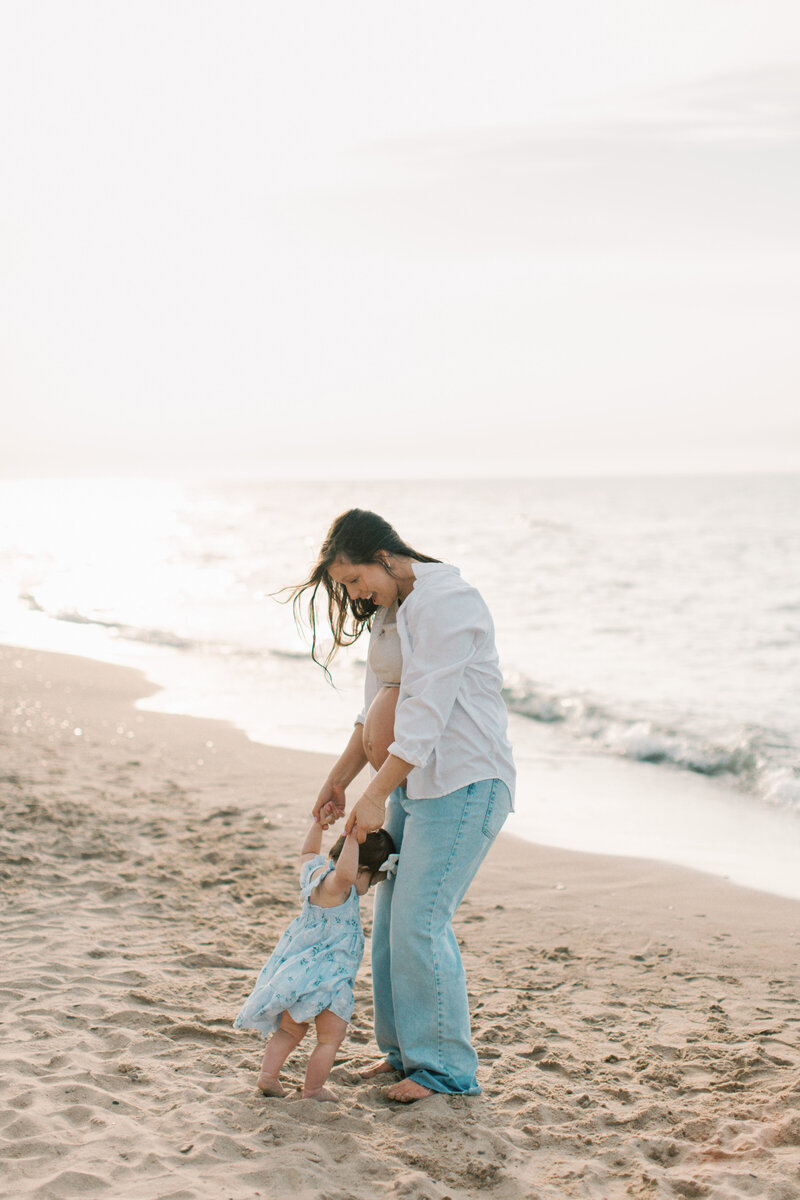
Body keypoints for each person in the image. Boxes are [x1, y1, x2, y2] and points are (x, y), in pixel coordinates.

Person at [291, 509, 516, 1104]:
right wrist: (339, 781)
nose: (354, 594)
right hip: (413, 787)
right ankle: (404, 1057)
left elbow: (425, 719)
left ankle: (445, 1072)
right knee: (391, 923)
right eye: (345, 587)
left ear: (384, 557)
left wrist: (374, 793)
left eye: (355, 579)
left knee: (420, 921)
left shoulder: (447, 602)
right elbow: (373, 713)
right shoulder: (392, 612)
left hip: (465, 784)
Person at [234, 816, 396, 1101]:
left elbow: (306, 852)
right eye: (372, 881)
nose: (368, 889)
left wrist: (316, 824)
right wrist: (354, 835)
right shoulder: (338, 885)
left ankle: (268, 1077)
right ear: (362, 869)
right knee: (329, 1040)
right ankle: (313, 1090)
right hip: (330, 979)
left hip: (299, 973)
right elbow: (347, 875)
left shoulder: (313, 871)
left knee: (288, 1031)